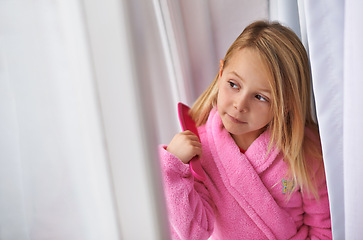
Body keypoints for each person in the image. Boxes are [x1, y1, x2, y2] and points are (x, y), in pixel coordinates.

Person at [159, 20, 332, 239]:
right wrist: (171, 169)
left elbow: (324, 229)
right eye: (234, 84)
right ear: (221, 73)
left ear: (285, 104)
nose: (240, 105)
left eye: (260, 97)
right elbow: (192, 232)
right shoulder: (200, 151)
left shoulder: (305, 152)